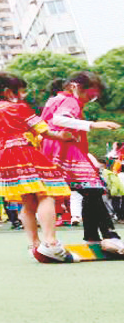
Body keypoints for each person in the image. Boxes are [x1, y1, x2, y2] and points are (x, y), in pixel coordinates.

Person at [0, 72, 76, 262]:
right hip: (25, 152)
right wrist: (64, 136)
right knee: (45, 194)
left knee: (27, 202)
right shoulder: (18, 107)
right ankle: (51, 243)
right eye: (21, 92)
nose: (24, 96)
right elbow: (44, 131)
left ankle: (34, 244)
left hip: (5, 157)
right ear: (9, 92)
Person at [40, 73, 123, 254]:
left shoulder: (53, 100)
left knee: (89, 191)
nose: (90, 100)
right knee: (92, 189)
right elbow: (59, 119)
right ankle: (109, 237)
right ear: (75, 87)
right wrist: (94, 124)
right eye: (90, 95)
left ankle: (93, 238)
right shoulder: (70, 100)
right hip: (66, 149)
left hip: (52, 149)